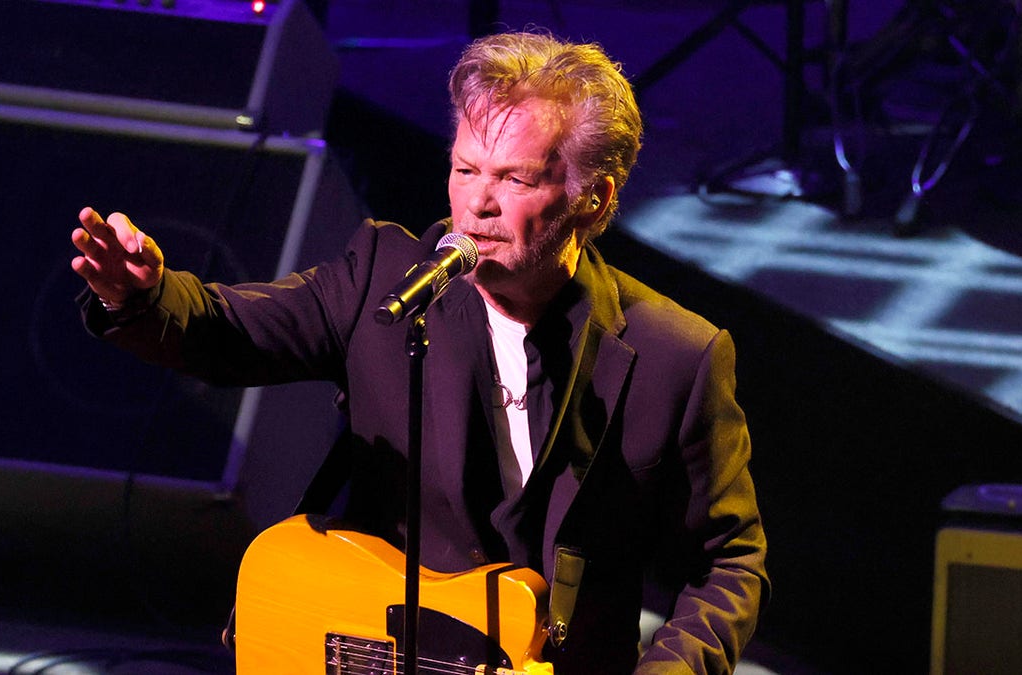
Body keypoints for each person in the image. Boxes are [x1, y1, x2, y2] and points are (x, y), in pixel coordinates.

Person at [70, 30, 768, 675]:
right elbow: (230, 332)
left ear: (593, 198)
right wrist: (143, 295)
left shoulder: (675, 355)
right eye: (465, 169)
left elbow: (729, 561)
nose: (477, 205)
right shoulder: (383, 276)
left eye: (515, 179)